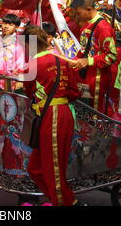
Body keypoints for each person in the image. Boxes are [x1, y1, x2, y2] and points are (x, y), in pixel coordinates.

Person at [22, 26, 80, 206]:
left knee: (53, 168)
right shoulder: (61, 59)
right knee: (36, 168)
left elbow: (29, 91)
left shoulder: (32, 65)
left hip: (52, 116)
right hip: (62, 113)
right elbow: (73, 90)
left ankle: (64, 202)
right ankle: (60, 199)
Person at [69, 0, 117, 114]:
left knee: (95, 113)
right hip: (85, 77)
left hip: (97, 79)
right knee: (84, 110)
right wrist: (73, 60)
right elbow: (84, 50)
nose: (77, 17)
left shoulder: (103, 28)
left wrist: (88, 61)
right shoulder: (85, 26)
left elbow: (111, 55)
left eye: (79, 13)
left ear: (89, 9)